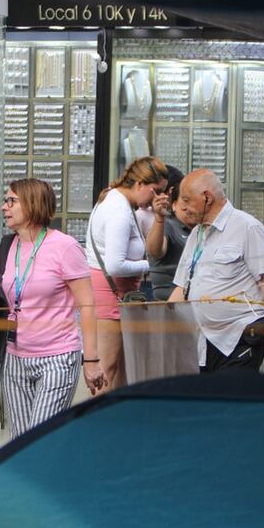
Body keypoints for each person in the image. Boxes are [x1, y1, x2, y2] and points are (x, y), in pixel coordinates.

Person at [0, 179, 106, 438]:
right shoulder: (8, 246)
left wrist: (91, 360)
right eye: (5, 201)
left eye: (11, 201)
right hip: (14, 358)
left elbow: (88, 306)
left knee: (39, 438)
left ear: (33, 203)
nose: (4, 207)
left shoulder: (65, 247)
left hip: (57, 357)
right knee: (21, 442)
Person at [168, 169, 264, 371]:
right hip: (205, 339)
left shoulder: (247, 227)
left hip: (241, 334)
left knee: (233, 390)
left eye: (187, 200)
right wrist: (160, 320)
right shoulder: (197, 234)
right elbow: (182, 287)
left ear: (207, 197)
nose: (183, 207)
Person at [85, 156, 168, 389]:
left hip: (117, 293)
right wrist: (149, 266)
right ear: (140, 184)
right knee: (107, 369)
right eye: (156, 191)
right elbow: (115, 265)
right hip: (110, 293)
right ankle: (101, 413)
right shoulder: (118, 210)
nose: (158, 198)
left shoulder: (116, 199)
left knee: (121, 371)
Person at [146, 166, 194, 300]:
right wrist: (159, 218)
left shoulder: (199, 229)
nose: (189, 208)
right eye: (185, 201)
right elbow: (155, 251)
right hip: (169, 302)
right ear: (174, 202)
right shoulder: (168, 225)